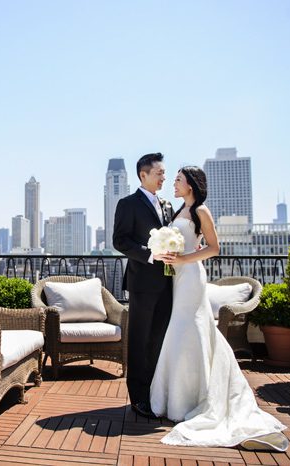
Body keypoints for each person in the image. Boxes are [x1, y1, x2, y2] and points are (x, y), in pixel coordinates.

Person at [150, 166, 288, 450]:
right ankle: (174, 398)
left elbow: (214, 248)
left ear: (191, 185)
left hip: (190, 279)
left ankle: (192, 400)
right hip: (176, 279)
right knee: (180, 333)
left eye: (178, 180)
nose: (173, 184)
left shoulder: (201, 211)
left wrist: (184, 259)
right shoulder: (177, 212)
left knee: (188, 331)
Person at [113, 152, 175, 418]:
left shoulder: (168, 205)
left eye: (164, 173)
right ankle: (138, 397)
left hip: (169, 283)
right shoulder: (128, 204)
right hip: (142, 283)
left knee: (159, 340)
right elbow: (120, 241)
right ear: (143, 175)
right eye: (159, 173)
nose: (164, 177)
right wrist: (150, 255)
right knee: (140, 340)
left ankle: (155, 393)